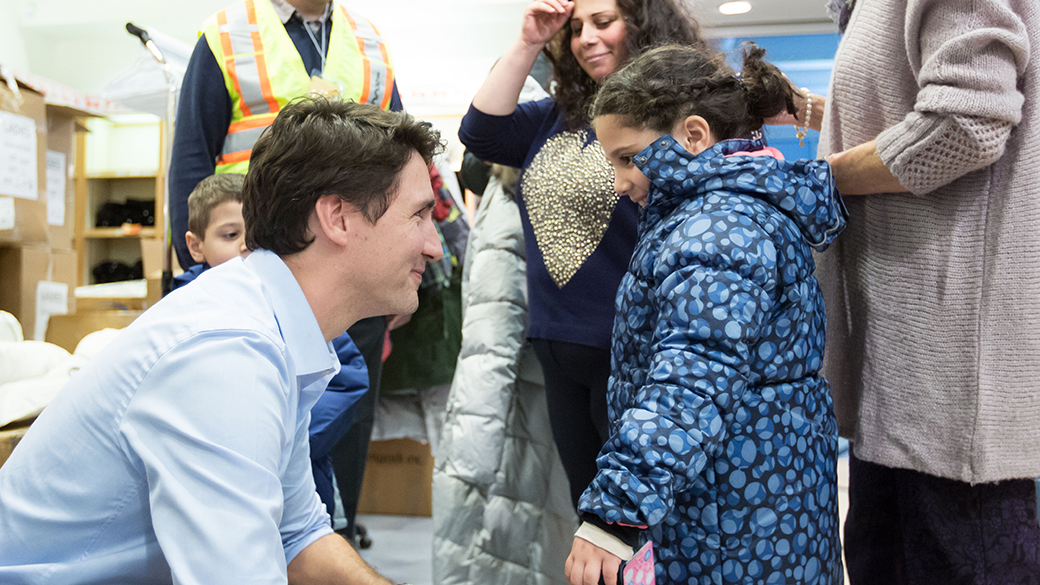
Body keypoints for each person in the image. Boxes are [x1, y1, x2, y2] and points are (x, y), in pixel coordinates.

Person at [0, 97, 443, 584]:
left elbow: (296, 536)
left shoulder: (270, 325)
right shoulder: (227, 352)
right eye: (418, 216)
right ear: (337, 217)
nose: (435, 246)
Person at [564, 44, 847, 585]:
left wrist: (613, 512)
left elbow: (690, 380)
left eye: (628, 158)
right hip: (757, 500)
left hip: (730, 516)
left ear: (694, 136)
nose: (620, 182)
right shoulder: (723, 212)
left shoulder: (719, 230)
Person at [777, 0, 1040, 581]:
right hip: (903, 375)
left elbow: (964, 126)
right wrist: (809, 112)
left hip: (950, 402)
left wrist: (811, 180)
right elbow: (918, 109)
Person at [169, 0, 404, 541]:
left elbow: (401, 157)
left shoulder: (369, 39)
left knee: (349, 407)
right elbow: (190, 155)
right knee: (245, 405)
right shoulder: (227, 34)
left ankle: (334, 536)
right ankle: (254, 539)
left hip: (355, 266)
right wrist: (198, 269)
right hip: (257, 267)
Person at [458, 0, 703, 514]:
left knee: (641, 519)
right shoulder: (555, 116)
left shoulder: (674, 121)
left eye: (603, 22)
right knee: (587, 512)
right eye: (575, 28)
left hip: (639, 351)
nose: (586, 37)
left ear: (640, 25)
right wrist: (529, 42)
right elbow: (479, 131)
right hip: (558, 344)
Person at [171, 172, 370, 523]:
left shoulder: (297, 302)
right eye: (230, 235)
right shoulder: (181, 312)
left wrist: (283, 441)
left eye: (254, 233)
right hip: (217, 484)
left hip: (298, 483)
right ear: (195, 245)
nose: (245, 245)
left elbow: (347, 377)